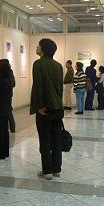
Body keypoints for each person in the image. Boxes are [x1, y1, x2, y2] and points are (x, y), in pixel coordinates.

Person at [30, 38, 64, 181]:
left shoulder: (38, 64)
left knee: (45, 140)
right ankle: (56, 169)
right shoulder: (58, 66)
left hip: (45, 109)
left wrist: (38, 106)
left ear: (43, 49)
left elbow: (38, 86)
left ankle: (47, 171)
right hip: (57, 108)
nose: (36, 47)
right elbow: (60, 88)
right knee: (56, 139)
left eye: (38, 45)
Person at [0, 59, 16, 133]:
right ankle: (11, 127)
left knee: (8, 111)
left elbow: (12, 84)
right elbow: (14, 84)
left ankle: (12, 127)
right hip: (9, 95)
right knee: (8, 110)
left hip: (6, 95)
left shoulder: (7, 74)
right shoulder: (10, 72)